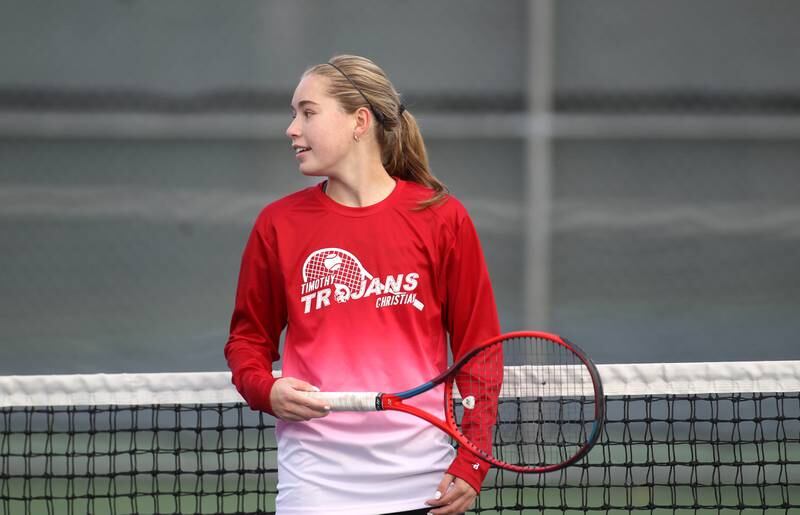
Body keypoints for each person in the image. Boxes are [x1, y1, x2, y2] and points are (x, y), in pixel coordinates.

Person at [224, 54, 500, 515]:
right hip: (314, 483)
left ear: (359, 121)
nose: (292, 128)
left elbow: (481, 350)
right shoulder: (277, 224)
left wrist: (473, 460)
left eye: (307, 112)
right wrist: (265, 390)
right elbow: (248, 339)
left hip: (424, 483)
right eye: (294, 114)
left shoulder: (442, 218)